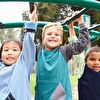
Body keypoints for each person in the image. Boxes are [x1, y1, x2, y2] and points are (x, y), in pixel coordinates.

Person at [35, 15, 90, 100]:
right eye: (49, 34)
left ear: (61, 40)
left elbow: (82, 42)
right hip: (42, 95)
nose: (53, 36)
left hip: (60, 96)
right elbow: (26, 46)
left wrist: (80, 21)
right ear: (43, 39)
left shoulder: (64, 51)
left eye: (56, 34)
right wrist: (32, 23)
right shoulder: (38, 51)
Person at [0, 5, 37, 100]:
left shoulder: (23, 64)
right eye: (6, 50)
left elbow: (28, 46)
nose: (10, 52)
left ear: (21, 53)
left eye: (15, 50)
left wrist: (31, 23)